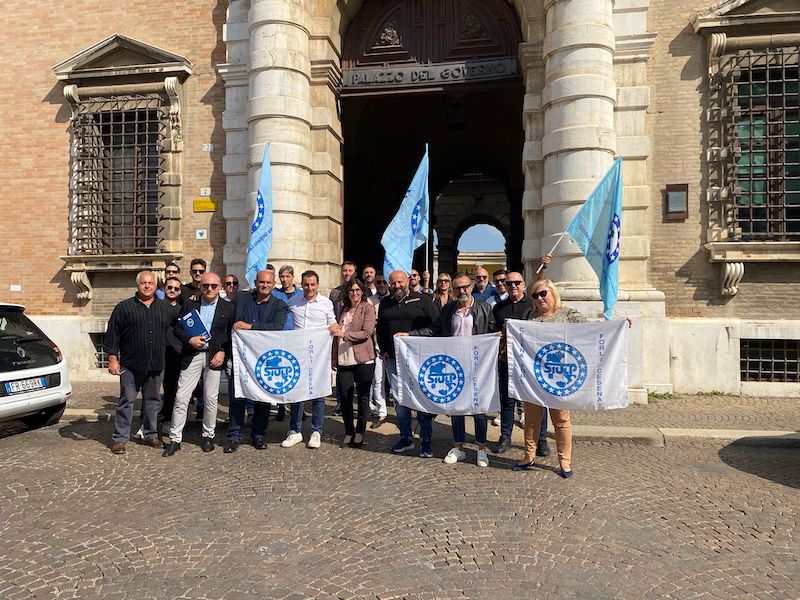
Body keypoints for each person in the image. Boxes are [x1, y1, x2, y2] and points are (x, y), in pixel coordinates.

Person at [406, 273, 495, 467]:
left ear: (471, 287)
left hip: (478, 365)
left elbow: (492, 332)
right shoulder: (447, 310)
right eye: (457, 288)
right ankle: (458, 447)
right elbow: (434, 330)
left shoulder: (484, 308)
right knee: (456, 407)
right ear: (453, 290)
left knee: (479, 409)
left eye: (464, 287)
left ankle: (481, 449)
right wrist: (410, 335)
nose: (461, 291)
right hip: (454, 364)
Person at [513, 279, 586, 477]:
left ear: (553, 293)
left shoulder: (568, 314)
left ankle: (565, 461)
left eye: (543, 293)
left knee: (561, 419)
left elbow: (591, 332)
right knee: (532, 420)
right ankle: (529, 455)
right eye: (535, 296)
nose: (540, 298)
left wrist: (619, 324)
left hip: (560, 377)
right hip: (535, 377)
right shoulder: (531, 319)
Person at [163, 272, 235, 456]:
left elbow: (230, 335)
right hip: (192, 354)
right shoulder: (190, 303)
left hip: (214, 357)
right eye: (205, 286)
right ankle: (175, 438)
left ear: (219, 287)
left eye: (213, 286)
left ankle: (208, 436)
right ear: (200, 287)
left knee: (211, 399)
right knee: (181, 397)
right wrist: (190, 340)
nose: (209, 289)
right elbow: (178, 327)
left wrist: (223, 351)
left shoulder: (228, 307)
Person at [105, 271, 175, 455]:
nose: (147, 286)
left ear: (155, 285)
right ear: (138, 285)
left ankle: (151, 434)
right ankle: (120, 439)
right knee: (126, 401)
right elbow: (113, 334)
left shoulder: (165, 308)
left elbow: (178, 328)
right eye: (143, 283)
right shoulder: (124, 308)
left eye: (150, 283)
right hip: (130, 365)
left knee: (152, 401)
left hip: (156, 365)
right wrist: (112, 358)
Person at [376, 270, 440, 457]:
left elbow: (436, 327)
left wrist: (411, 335)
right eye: (393, 283)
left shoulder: (424, 301)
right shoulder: (385, 303)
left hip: (420, 359)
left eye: (400, 282)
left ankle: (426, 440)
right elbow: (381, 329)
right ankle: (405, 437)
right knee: (400, 400)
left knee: (421, 399)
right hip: (395, 360)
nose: (397, 286)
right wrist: (384, 349)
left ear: (408, 281)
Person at [224, 269, 289, 453]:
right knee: (237, 398)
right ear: (255, 282)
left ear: (273, 283)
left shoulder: (279, 305)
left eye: (268, 283)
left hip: (263, 360)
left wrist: (250, 327)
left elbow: (276, 328)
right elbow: (225, 313)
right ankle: (234, 436)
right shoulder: (241, 298)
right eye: (262, 282)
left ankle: (258, 435)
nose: (265, 285)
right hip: (240, 359)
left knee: (262, 400)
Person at [282, 270, 338, 449]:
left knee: (318, 394)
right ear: (301, 285)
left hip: (319, 355)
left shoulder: (326, 303)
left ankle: (316, 431)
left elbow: (333, 324)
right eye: (306, 284)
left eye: (313, 284)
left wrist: (335, 330)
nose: (309, 288)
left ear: (317, 285)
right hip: (298, 354)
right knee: (297, 392)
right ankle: (294, 431)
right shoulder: (293, 302)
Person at [331, 278, 376, 448]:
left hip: (363, 359)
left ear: (362, 292)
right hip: (344, 359)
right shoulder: (343, 309)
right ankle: (349, 430)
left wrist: (344, 335)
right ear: (347, 293)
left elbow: (366, 333)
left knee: (363, 398)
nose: (355, 293)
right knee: (345, 397)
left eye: (357, 290)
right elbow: (334, 336)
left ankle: (360, 431)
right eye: (351, 290)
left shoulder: (368, 308)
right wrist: (333, 357)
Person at [159, 276, 184, 435]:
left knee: (172, 390)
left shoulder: (183, 308)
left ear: (180, 291)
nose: (172, 291)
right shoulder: (156, 307)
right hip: (157, 353)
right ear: (164, 289)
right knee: (153, 391)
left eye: (176, 288)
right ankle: (149, 424)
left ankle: (170, 420)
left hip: (176, 354)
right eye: (170, 288)